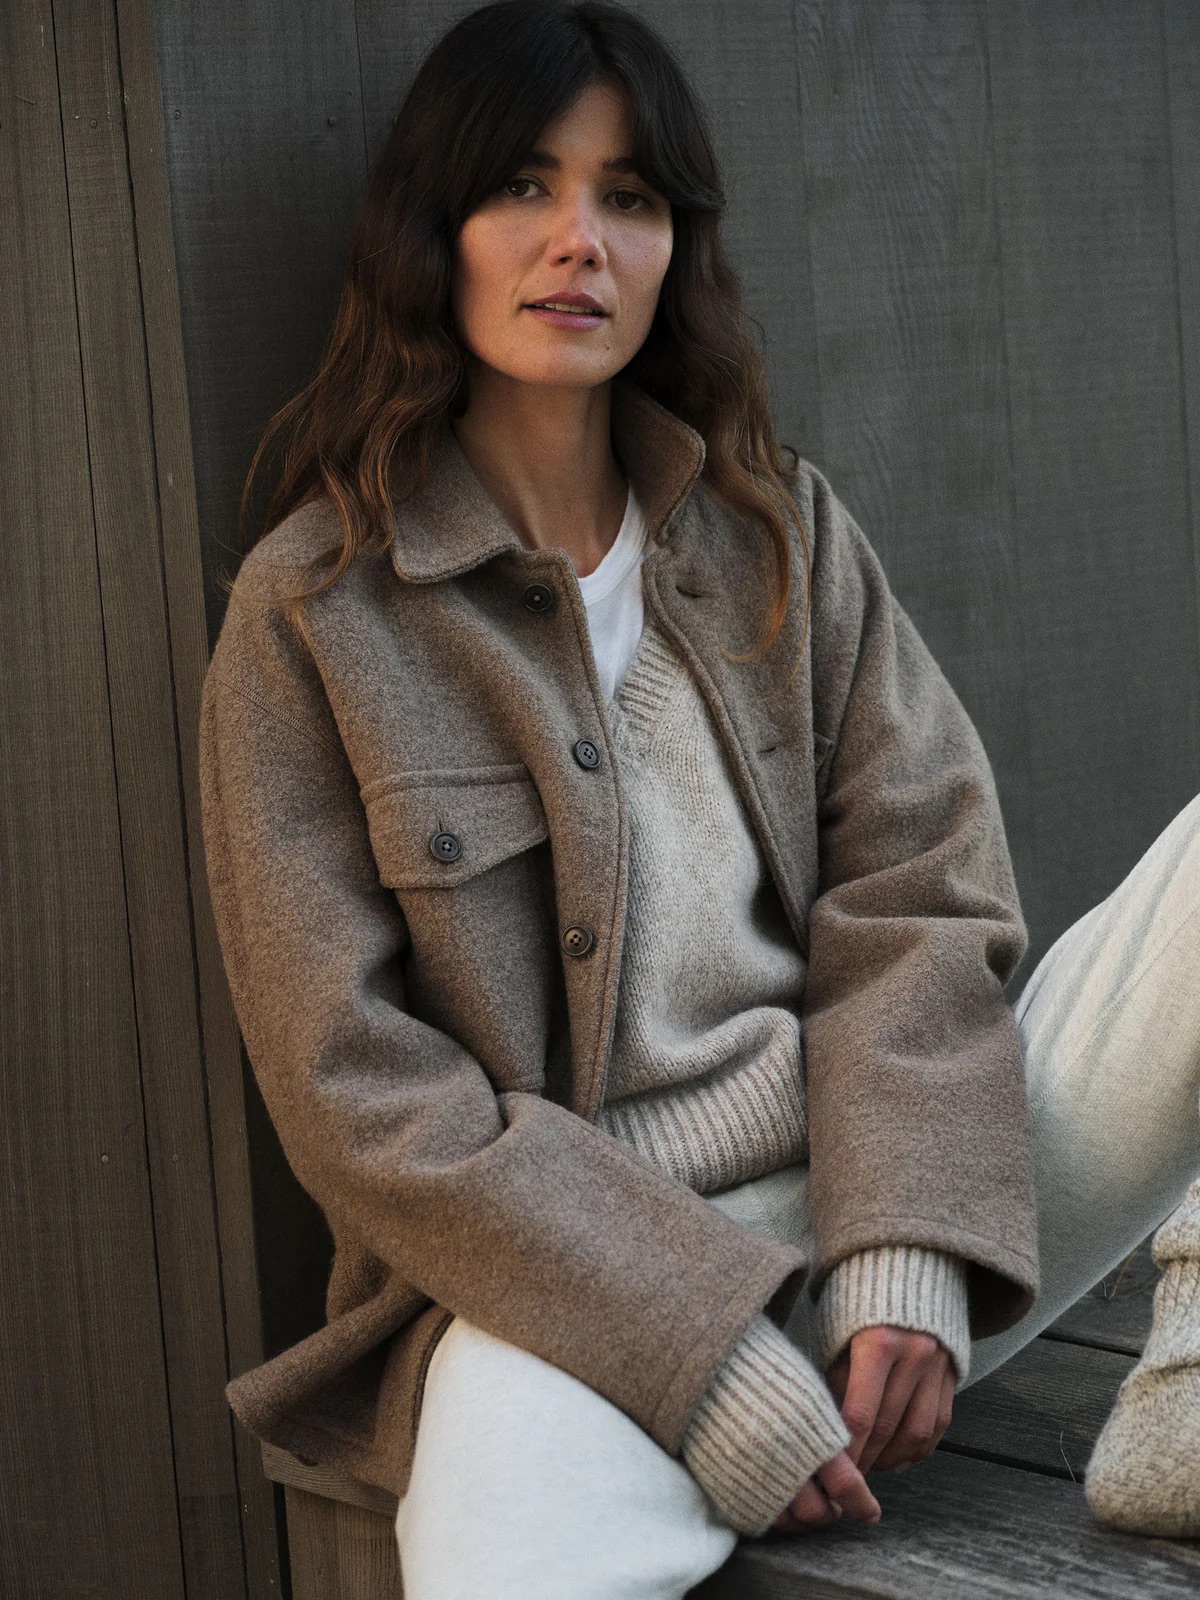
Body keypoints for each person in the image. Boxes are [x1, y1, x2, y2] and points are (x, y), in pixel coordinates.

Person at [197, 2, 1200, 1594]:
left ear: (675, 251)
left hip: (895, 1187)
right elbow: (358, 1087)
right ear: (430, 231)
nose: (577, 241)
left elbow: (919, 892)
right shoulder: (313, 616)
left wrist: (908, 1246)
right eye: (523, 186)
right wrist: (700, 1352)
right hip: (564, 1292)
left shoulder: (775, 528)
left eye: (631, 197)